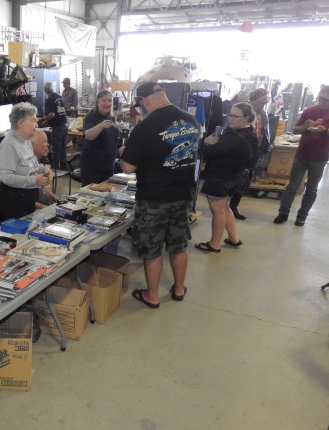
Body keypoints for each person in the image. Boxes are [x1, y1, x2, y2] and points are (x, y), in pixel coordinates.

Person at [119, 82, 200, 308]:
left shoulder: (146, 125)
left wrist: (123, 153)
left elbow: (127, 167)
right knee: (179, 245)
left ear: (145, 100)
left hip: (154, 197)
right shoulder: (191, 120)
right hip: (183, 194)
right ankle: (179, 288)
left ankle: (152, 296)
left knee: (152, 249)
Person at [196, 102, 257, 253]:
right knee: (224, 207)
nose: (231, 118)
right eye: (230, 115)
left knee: (218, 211)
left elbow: (209, 153)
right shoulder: (250, 133)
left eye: (236, 116)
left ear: (246, 118)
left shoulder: (234, 137)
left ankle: (214, 244)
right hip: (236, 176)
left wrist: (206, 142)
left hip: (221, 177)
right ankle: (233, 238)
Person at [273, 85, 329, 226]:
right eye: (321, 99)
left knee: (312, 189)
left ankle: (302, 216)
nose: (322, 102)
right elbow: (295, 129)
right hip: (302, 155)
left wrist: (324, 131)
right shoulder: (309, 110)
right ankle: (283, 213)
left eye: (326, 100)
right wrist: (304, 127)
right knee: (292, 186)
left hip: (320, 157)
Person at [0, 102, 50, 221]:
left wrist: (43, 169)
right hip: (13, 202)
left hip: (28, 199)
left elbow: (29, 164)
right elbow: (7, 178)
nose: (36, 125)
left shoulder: (26, 140)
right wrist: (34, 180)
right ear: (20, 123)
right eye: (33, 121)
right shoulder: (9, 144)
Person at [229, 88, 271, 220]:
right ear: (255, 98)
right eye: (264, 98)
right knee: (234, 177)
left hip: (255, 151)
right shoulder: (242, 110)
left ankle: (233, 206)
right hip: (240, 150)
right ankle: (225, 205)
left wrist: (265, 146)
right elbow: (230, 126)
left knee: (245, 179)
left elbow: (265, 131)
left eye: (267, 98)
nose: (266, 101)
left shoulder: (264, 114)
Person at [80, 90, 120, 186]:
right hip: (93, 165)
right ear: (98, 102)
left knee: (106, 191)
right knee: (91, 191)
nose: (107, 103)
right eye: (104, 100)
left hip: (108, 165)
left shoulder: (110, 117)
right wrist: (100, 126)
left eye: (109, 101)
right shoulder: (91, 117)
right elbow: (88, 135)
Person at [40, 81, 68, 171]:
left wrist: (43, 119)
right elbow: (61, 111)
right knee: (63, 147)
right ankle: (64, 167)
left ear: (45, 90)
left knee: (56, 149)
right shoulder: (59, 97)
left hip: (58, 127)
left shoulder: (49, 99)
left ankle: (56, 169)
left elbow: (52, 114)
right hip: (64, 125)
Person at [31, 129, 58, 208]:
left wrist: (55, 198)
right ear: (32, 145)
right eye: (44, 142)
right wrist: (48, 209)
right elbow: (26, 200)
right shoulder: (24, 167)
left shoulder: (36, 162)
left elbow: (42, 186)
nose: (47, 145)